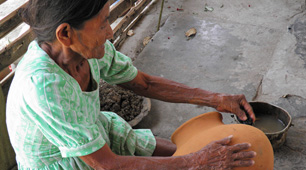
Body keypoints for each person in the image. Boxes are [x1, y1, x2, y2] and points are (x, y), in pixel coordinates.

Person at [6, 0, 256, 169]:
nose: (110, 32)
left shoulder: (86, 51)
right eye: (103, 23)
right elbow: (107, 164)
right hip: (61, 162)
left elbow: (144, 84)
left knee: (184, 153)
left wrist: (216, 99)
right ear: (65, 34)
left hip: (93, 131)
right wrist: (194, 162)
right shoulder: (44, 87)